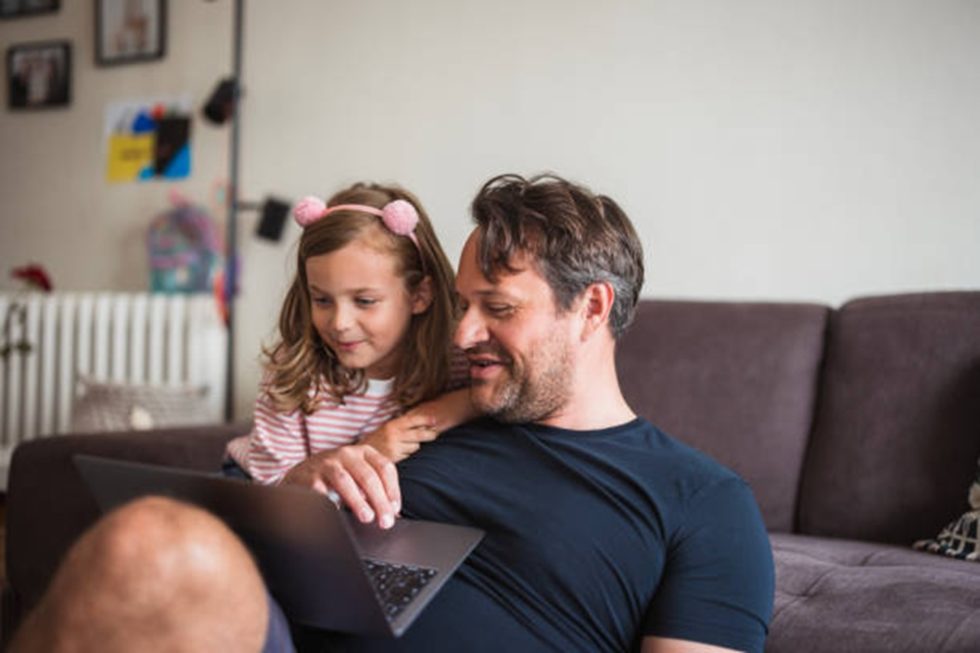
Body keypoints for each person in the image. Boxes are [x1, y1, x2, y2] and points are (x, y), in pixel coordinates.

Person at [10, 173, 774, 653]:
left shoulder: (702, 502)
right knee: (147, 539)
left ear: (592, 307)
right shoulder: (424, 414)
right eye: (462, 304)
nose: (463, 332)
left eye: (497, 308)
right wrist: (305, 482)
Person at [223, 182, 474, 493]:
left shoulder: (458, 360)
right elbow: (276, 491)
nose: (339, 323)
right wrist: (367, 451)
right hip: (263, 485)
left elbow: (494, 398)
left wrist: (442, 410)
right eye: (322, 300)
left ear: (420, 295)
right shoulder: (292, 374)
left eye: (365, 301)